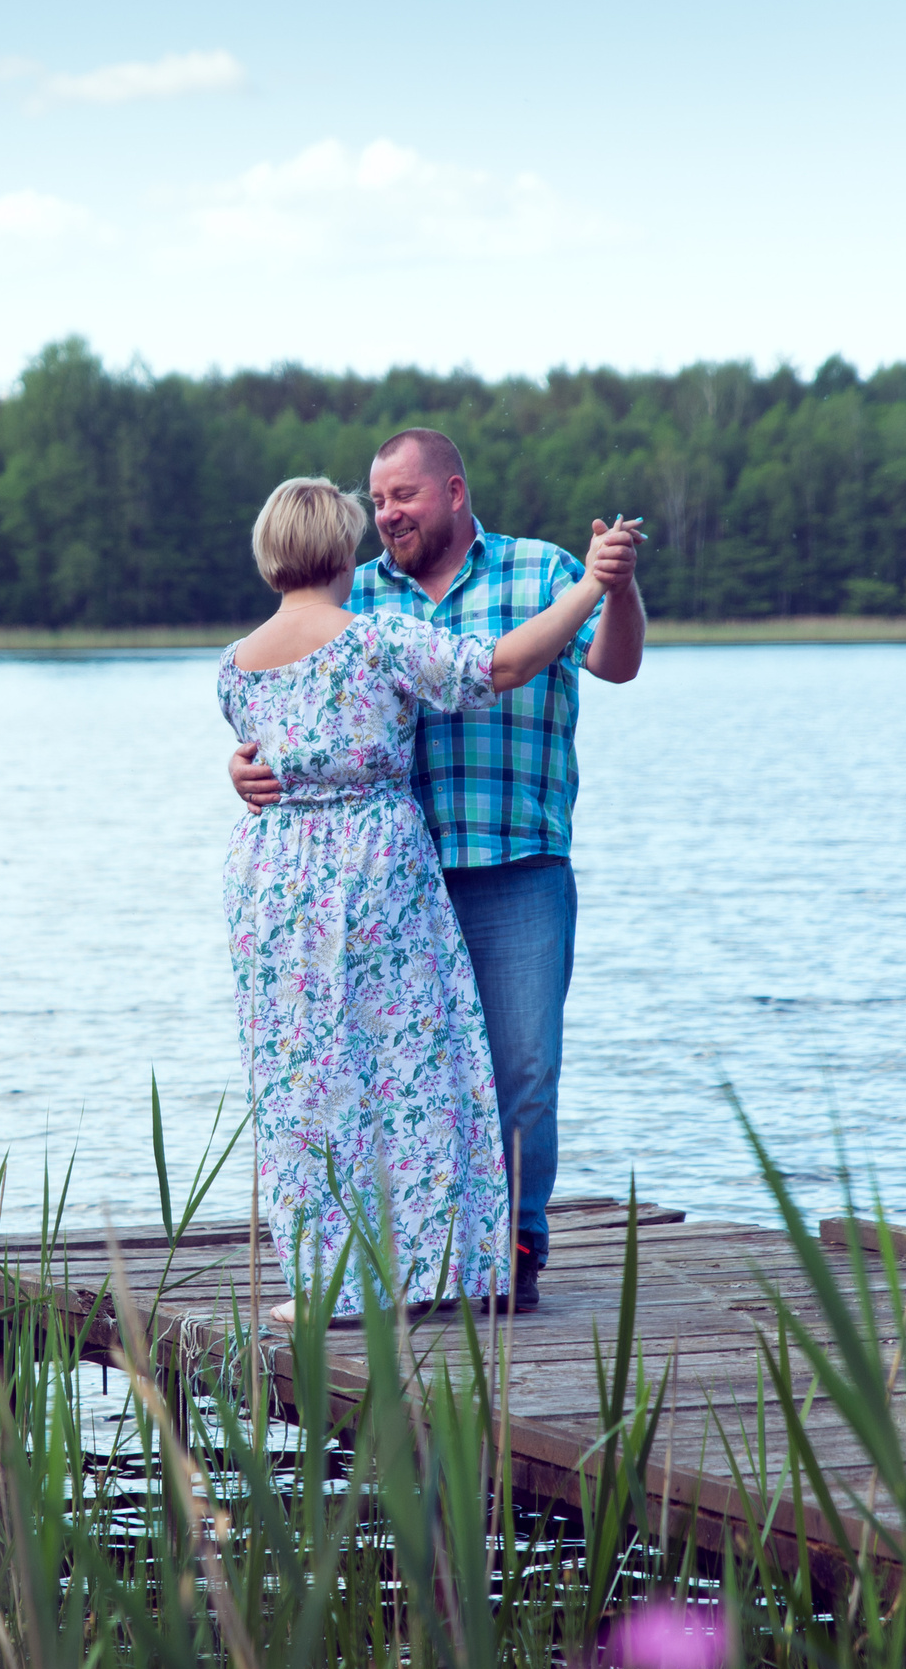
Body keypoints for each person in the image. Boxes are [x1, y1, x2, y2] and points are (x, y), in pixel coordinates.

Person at [230, 430, 646, 1312]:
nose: (387, 514)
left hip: (509, 854)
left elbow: (615, 664)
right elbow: (308, 714)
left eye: (402, 496)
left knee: (515, 1068)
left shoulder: (538, 568)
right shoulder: (361, 602)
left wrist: (606, 586)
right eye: (376, 501)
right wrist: (246, 769)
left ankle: (504, 1247)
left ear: (454, 491)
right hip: (395, 880)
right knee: (400, 1069)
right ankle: (431, 1261)